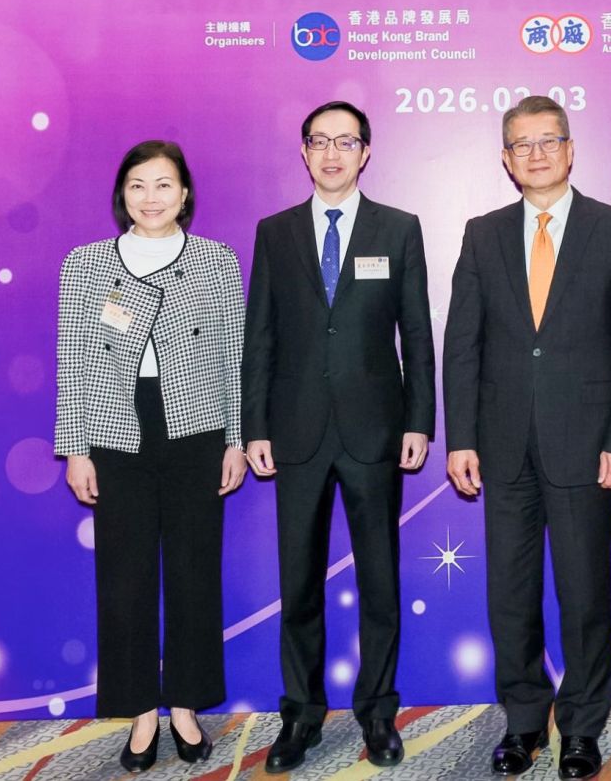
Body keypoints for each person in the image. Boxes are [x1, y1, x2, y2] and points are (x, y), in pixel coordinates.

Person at [443, 95, 611, 780]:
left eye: (548, 141)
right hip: (502, 446)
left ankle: (583, 727)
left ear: (570, 149)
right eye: (521, 144)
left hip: (587, 445)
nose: (536, 154)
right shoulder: (483, 234)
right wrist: (460, 437)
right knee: (510, 593)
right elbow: (462, 345)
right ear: (506, 159)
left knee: (584, 593)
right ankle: (525, 722)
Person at [242, 100, 435, 773]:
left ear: (365, 152)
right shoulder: (276, 232)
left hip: (374, 431)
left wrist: (419, 421)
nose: (331, 154)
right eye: (319, 141)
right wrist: (255, 426)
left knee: (380, 580)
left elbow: (417, 335)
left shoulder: (398, 228)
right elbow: (260, 338)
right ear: (303, 152)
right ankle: (300, 714)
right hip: (295, 433)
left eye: (345, 142)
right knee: (298, 583)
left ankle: (378, 713)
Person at [55, 140, 249, 773]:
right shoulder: (85, 264)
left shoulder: (216, 261)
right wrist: (74, 449)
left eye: (163, 184)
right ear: (122, 194)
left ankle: (186, 706)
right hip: (116, 431)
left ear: (184, 193)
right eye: (138, 185)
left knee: (194, 574)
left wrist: (237, 439)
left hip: (196, 427)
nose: (151, 197)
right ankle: (140, 711)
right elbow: (72, 361)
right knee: (125, 578)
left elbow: (235, 358)